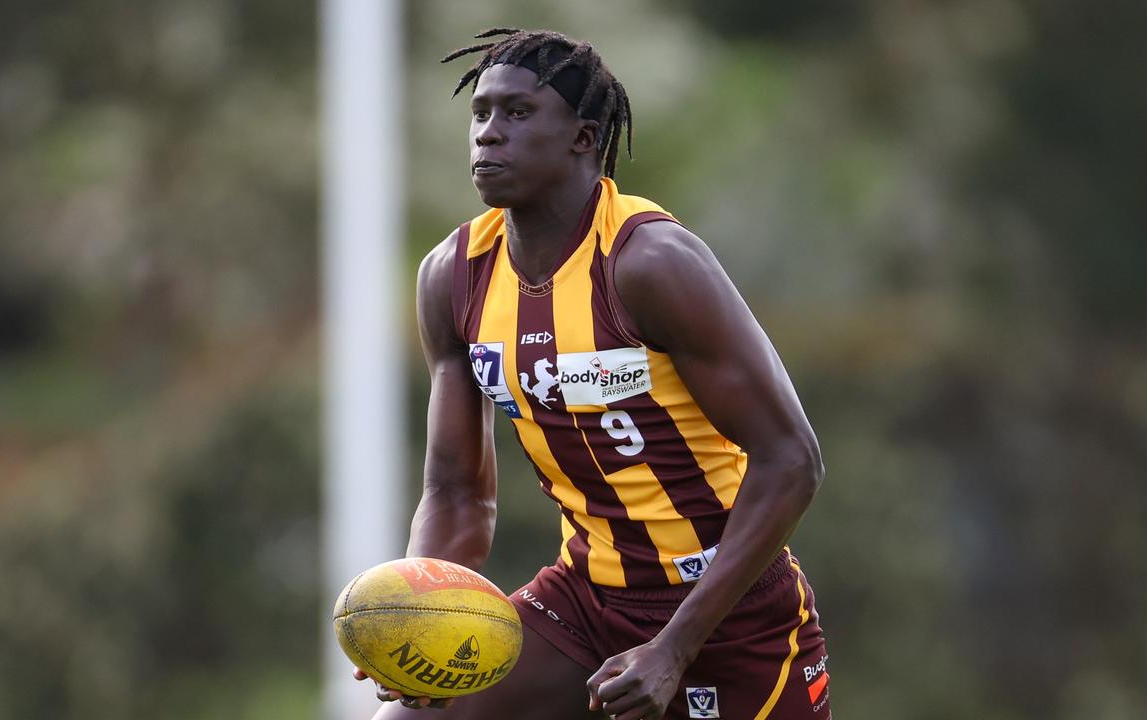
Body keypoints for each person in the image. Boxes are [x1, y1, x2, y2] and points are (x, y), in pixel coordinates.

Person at [355, 28, 831, 720]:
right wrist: (420, 617)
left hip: (730, 613)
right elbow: (457, 492)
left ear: (583, 138)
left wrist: (673, 648)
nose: (488, 134)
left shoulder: (649, 263)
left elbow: (793, 460)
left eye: (517, 114)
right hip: (587, 599)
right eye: (481, 114)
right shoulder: (453, 278)